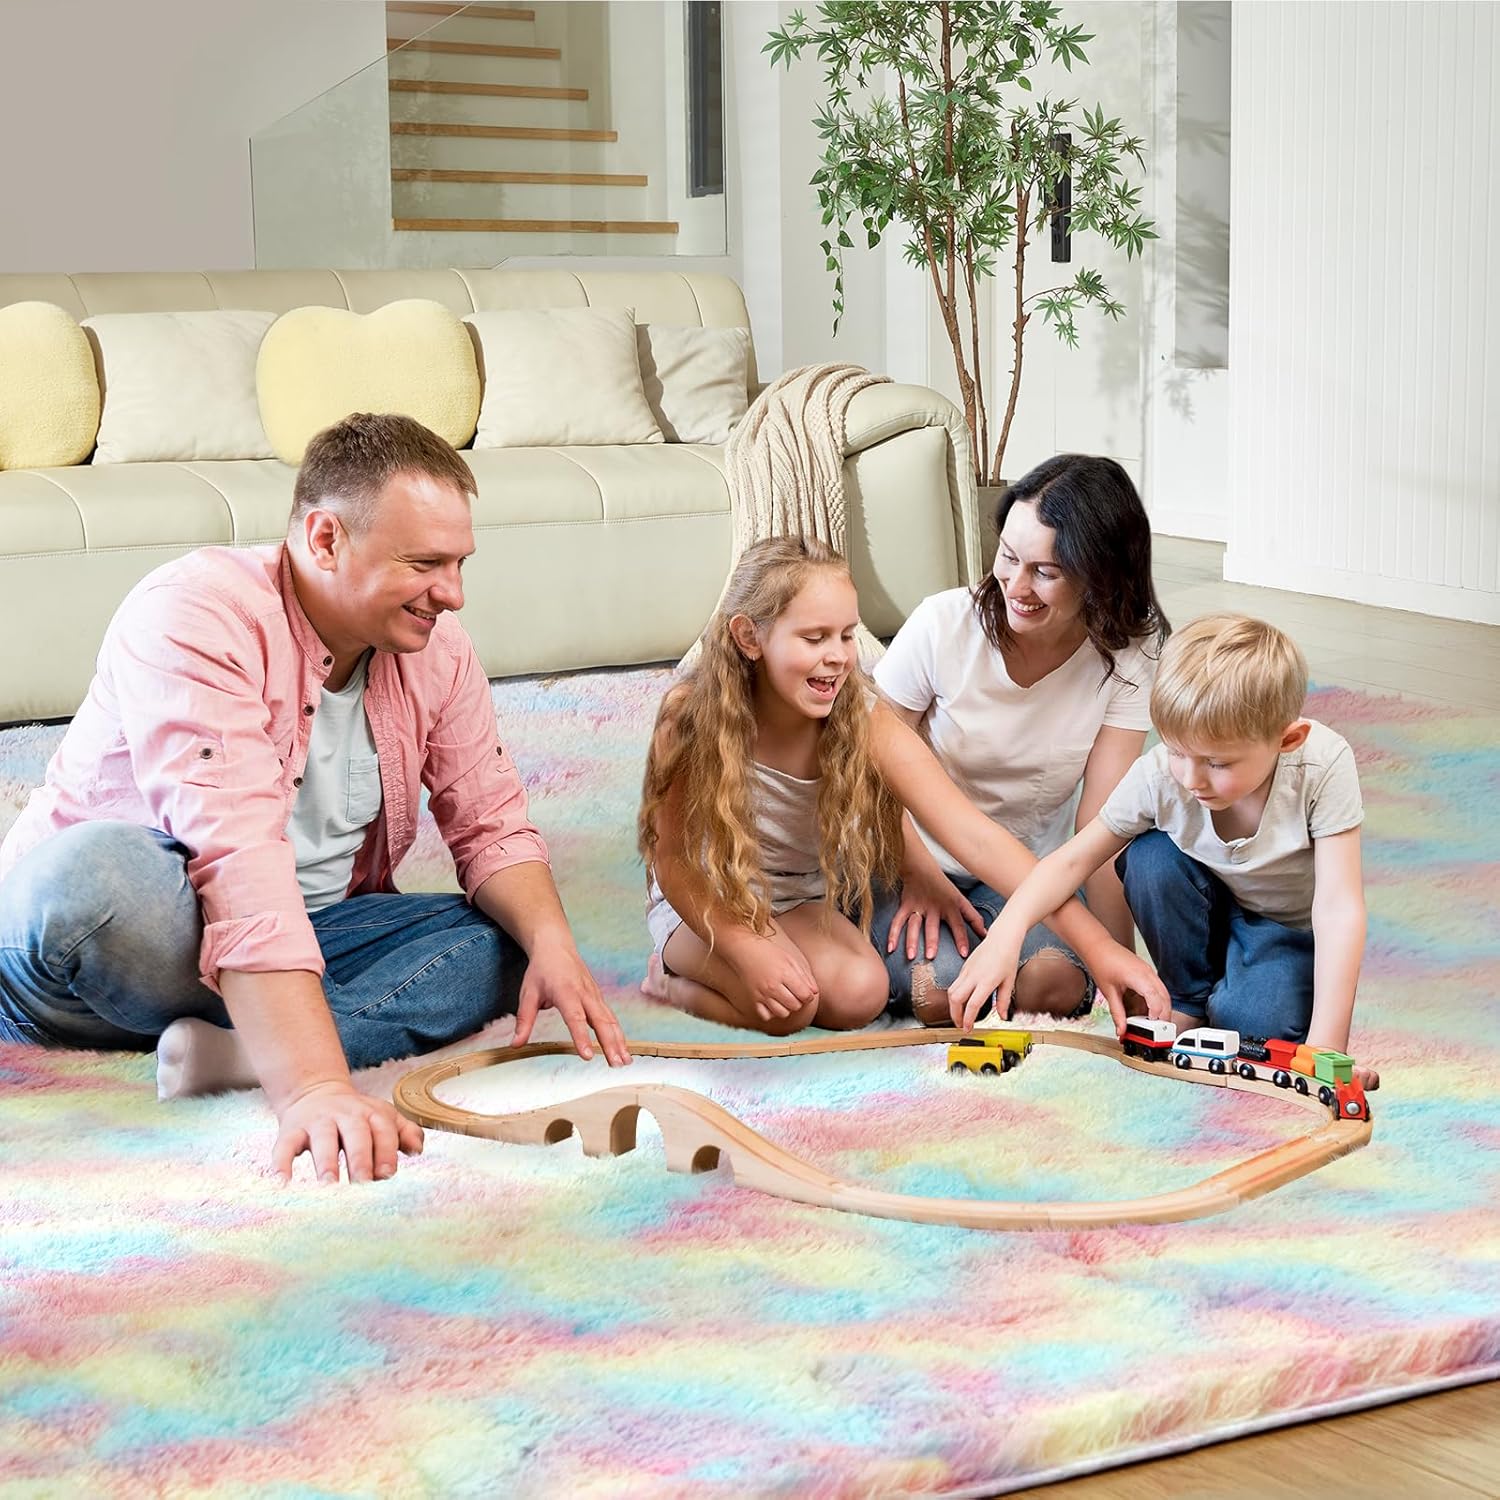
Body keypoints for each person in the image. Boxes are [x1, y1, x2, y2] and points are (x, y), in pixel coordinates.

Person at [0, 412, 630, 1184]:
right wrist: (316, 1088)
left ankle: (238, 1052)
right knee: (95, 882)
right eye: (426, 564)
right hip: (128, 934)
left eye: (460, 563)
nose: (453, 594)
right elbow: (235, 858)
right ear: (326, 539)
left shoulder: (438, 652)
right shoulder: (195, 611)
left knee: (509, 943)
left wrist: (555, 948)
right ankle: (295, 1047)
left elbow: (491, 824)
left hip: (312, 930)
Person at [637, 536, 1167, 1036]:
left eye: (847, 635)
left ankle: (757, 967)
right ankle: (669, 982)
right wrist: (742, 946)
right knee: (789, 1011)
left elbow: (976, 837)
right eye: (814, 638)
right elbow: (673, 861)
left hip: (799, 897)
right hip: (710, 898)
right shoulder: (689, 715)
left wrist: (1101, 948)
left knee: (861, 994)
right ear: (749, 637)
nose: (838, 656)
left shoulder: (860, 717)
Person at [946, 614, 1377, 1088]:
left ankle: (1235, 993)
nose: (1191, 779)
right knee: (1150, 856)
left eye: (1217, 763)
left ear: (1287, 740)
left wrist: (1326, 1048)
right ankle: (1188, 999)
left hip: (1284, 930)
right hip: (1207, 912)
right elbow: (1072, 860)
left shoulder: (1322, 766)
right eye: (1177, 751)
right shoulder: (1159, 776)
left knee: (1250, 1027)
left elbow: (1338, 908)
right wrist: (1005, 933)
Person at [871, 454, 1171, 1025]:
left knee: (1055, 985)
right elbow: (873, 772)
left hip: (1028, 879)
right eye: (1008, 556)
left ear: (1100, 575)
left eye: (1045, 572)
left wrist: (1119, 966)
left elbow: (1103, 826)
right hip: (911, 860)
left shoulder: (1128, 655)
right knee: (939, 993)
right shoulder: (942, 625)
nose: (1016, 585)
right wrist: (918, 872)